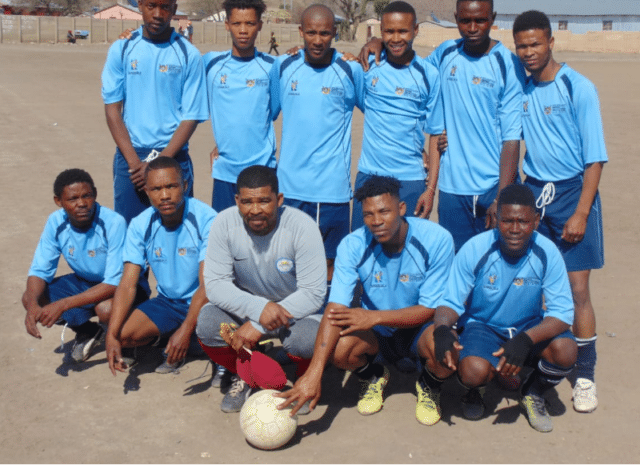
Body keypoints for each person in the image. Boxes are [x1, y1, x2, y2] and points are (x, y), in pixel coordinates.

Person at [277, 176, 454, 424]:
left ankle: (429, 385)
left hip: (418, 327)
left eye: (384, 211)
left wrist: (374, 316)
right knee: (340, 350)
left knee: (446, 349)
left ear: (401, 209)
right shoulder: (352, 245)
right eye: (368, 214)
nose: (376, 221)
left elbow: (430, 308)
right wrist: (313, 373)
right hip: (377, 332)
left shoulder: (436, 239)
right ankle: (373, 375)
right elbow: (335, 309)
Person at [360, 0, 523, 252]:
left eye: (480, 20)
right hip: (451, 188)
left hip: (492, 186)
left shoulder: (508, 64)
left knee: (495, 265)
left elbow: (512, 139)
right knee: (457, 268)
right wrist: (378, 43)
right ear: (456, 18)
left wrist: (502, 197)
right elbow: (408, 63)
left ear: (492, 18)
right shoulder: (446, 53)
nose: (472, 27)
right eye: (464, 20)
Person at [422, 184, 577, 432]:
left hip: (529, 324)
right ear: (496, 219)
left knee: (567, 350)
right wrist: (441, 328)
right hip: (483, 325)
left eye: (523, 221)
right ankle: (476, 391)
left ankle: (532, 390)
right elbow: (450, 302)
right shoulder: (475, 248)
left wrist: (526, 340)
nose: (515, 229)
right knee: (472, 371)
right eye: (507, 221)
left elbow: (562, 314)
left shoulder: (547, 252)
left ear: (536, 221)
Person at [513, 10, 607, 414]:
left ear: (552, 42)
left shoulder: (577, 87)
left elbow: (595, 160)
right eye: (521, 45)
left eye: (535, 44)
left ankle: (585, 375)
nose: (528, 52)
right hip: (535, 195)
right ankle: (541, 357)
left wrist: (582, 212)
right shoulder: (521, 87)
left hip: (572, 195)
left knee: (577, 290)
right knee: (538, 287)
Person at [196, 165, 327, 413]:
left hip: (295, 315)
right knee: (209, 323)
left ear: (279, 200)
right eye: (246, 202)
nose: (255, 210)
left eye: (264, 201)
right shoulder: (223, 223)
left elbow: (313, 293)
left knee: (307, 340)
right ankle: (246, 373)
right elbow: (215, 284)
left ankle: (303, 379)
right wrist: (258, 310)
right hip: (248, 311)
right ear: (237, 201)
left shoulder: (302, 226)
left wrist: (259, 324)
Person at [102, 0, 208, 224]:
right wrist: (135, 162)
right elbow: (112, 110)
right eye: (151, 6)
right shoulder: (122, 48)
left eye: (165, 7)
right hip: (131, 158)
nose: (158, 14)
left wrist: (158, 162)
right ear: (140, 5)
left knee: (176, 237)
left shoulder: (189, 55)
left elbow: (191, 116)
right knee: (131, 239)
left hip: (172, 155)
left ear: (175, 9)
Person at [269, 4, 364, 281]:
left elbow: (377, 112)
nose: (318, 40)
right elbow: (267, 115)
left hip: (330, 191)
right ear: (301, 32)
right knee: (285, 265)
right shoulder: (283, 66)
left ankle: (322, 321)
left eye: (324, 33)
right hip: (289, 189)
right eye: (311, 33)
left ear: (334, 33)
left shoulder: (350, 69)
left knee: (328, 268)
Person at [106, 157, 216, 375]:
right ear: (146, 191)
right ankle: (180, 342)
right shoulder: (140, 224)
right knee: (123, 335)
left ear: (185, 186)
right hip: (168, 302)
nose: (164, 195)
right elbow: (128, 284)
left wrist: (185, 329)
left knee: (222, 331)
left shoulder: (207, 220)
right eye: (156, 189)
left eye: (171, 186)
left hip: (205, 303)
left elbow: (208, 286)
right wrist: (111, 335)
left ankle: (191, 341)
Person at [22, 169, 136, 363]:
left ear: (95, 194)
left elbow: (114, 283)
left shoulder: (113, 223)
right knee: (32, 297)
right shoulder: (55, 221)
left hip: (121, 286)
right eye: (73, 199)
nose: (82, 203)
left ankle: (126, 342)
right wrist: (32, 306)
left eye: (87, 196)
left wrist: (65, 303)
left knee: (106, 309)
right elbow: (39, 272)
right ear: (59, 201)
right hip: (84, 281)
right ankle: (89, 332)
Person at [351, 1, 443, 231]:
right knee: (363, 251)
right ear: (381, 32)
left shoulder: (428, 75)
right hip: (370, 174)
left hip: (410, 179)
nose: (395, 38)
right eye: (389, 32)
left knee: (408, 252)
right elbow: (366, 104)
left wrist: (430, 189)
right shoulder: (367, 65)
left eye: (403, 31)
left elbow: (434, 135)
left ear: (415, 30)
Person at [204, 0, 277, 212]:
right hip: (225, 172)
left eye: (250, 23)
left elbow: (270, 112)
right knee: (225, 238)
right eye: (237, 23)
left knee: (262, 240)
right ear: (227, 25)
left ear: (260, 25)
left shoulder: (274, 66)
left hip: (263, 170)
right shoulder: (210, 64)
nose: (243, 30)